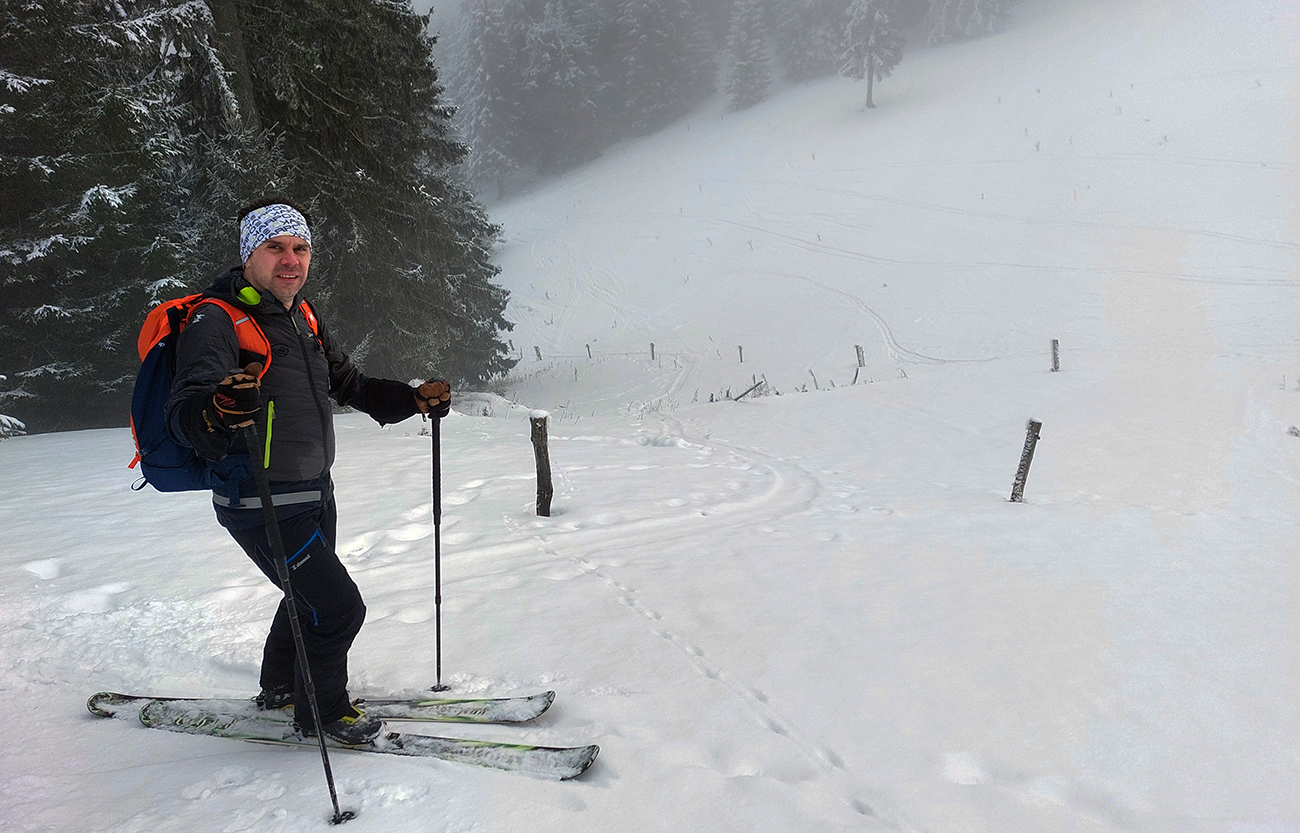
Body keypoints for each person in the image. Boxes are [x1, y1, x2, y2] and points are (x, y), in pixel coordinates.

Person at [166, 199, 451, 745]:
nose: (290, 259)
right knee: (338, 608)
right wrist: (217, 408)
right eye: (275, 247)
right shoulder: (215, 319)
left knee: (307, 598)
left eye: (300, 248)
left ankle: (281, 687)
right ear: (249, 255)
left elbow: (351, 385)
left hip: (314, 491)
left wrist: (413, 399)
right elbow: (186, 409)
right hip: (258, 499)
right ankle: (322, 711)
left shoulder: (303, 317)